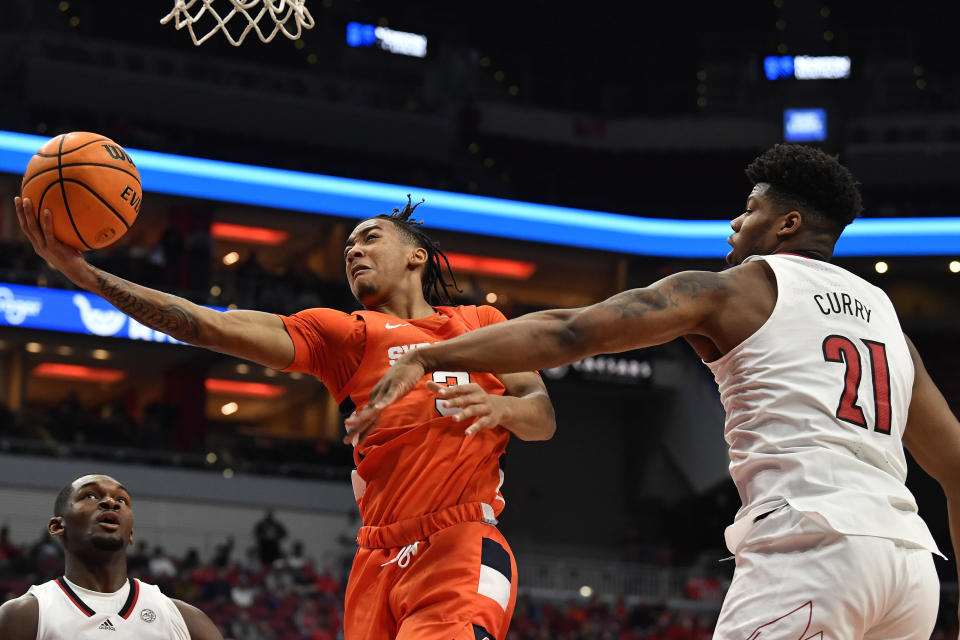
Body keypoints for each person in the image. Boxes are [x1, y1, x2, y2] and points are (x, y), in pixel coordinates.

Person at [352, 145, 959, 639]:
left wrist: (434, 353)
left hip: (815, 549)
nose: (735, 223)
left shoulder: (737, 290)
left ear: (787, 224)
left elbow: (567, 332)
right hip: (910, 572)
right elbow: (955, 465)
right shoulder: (887, 323)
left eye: (749, 209)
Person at [13, 195, 556, 640]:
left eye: (370, 239)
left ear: (416, 257)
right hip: (375, 558)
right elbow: (209, 325)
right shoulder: (343, 335)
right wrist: (91, 277)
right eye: (346, 247)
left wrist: (502, 406)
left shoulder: (480, 323)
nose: (353, 252)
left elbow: (542, 416)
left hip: (459, 538)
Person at [0, 474, 222, 639]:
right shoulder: (25, 617)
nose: (110, 503)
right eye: (90, 495)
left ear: (131, 533)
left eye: (122, 500)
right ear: (58, 526)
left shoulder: (186, 621)